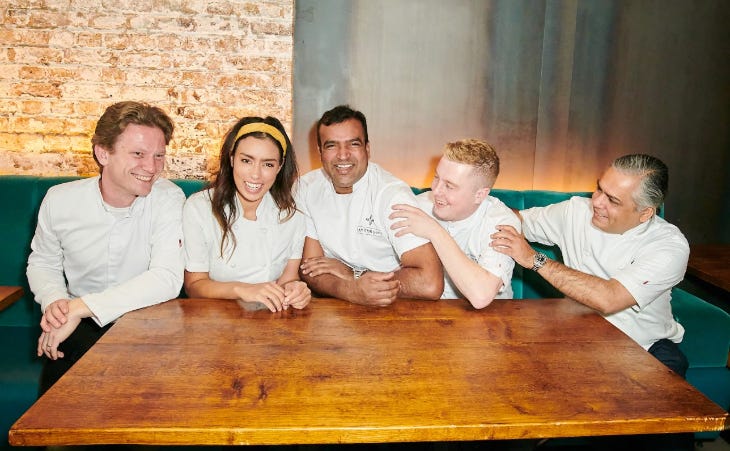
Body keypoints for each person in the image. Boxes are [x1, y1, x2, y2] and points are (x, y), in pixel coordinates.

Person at [27, 101, 185, 394]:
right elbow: (43, 262)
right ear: (103, 153)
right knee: (66, 386)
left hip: (146, 323)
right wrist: (57, 306)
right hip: (79, 324)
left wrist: (78, 308)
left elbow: (166, 278)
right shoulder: (59, 199)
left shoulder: (167, 198)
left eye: (159, 156)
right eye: (138, 154)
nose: (151, 168)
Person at [491, 154, 689, 377]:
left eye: (613, 200)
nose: (596, 201)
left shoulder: (669, 246)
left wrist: (533, 259)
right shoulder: (576, 211)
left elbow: (609, 299)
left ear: (645, 213)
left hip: (644, 347)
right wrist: (466, 204)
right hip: (577, 335)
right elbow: (516, 220)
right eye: (599, 188)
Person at [298, 105, 443, 306]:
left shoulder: (391, 195)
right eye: (331, 145)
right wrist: (349, 290)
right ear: (320, 152)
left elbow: (429, 283)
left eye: (353, 144)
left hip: (393, 307)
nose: (343, 155)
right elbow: (310, 268)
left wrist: (355, 276)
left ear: (367, 148)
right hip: (335, 308)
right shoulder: (306, 188)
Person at [182, 116, 310, 312]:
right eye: (246, 160)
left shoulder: (292, 216)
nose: (255, 175)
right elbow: (194, 285)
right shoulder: (199, 208)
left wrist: (296, 289)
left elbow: (288, 278)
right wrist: (242, 290)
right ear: (232, 159)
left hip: (270, 321)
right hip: (214, 322)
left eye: (268, 164)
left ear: (280, 166)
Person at [389, 139, 520, 308]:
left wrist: (434, 232)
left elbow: (481, 296)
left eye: (449, 186)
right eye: (436, 177)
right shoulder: (418, 205)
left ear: (479, 195)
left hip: (489, 322)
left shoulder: (501, 223)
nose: (436, 191)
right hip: (428, 313)